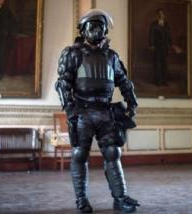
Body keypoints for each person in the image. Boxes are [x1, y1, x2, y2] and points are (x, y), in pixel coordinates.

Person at [55, 9, 140, 213]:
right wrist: (70, 108)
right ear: (83, 30)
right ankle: (81, 201)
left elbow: (123, 81)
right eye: (91, 26)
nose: (96, 30)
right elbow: (63, 83)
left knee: (113, 153)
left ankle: (120, 198)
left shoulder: (111, 56)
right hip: (82, 111)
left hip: (105, 111)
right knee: (79, 155)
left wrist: (131, 102)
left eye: (100, 26)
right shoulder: (72, 54)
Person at [149, 8, 172, 86]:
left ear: (164, 15)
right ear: (157, 15)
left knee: (165, 64)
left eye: (162, 14)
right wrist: (151, 45)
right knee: (157, 64)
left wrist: (171, 45)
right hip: (157, 47)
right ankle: (157, 81)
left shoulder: (167, 25)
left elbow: (169, 36)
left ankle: (164, 81)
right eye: (159, 14)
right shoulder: (153, 24)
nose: (161, 15)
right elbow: (151, 35)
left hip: (165, 48)